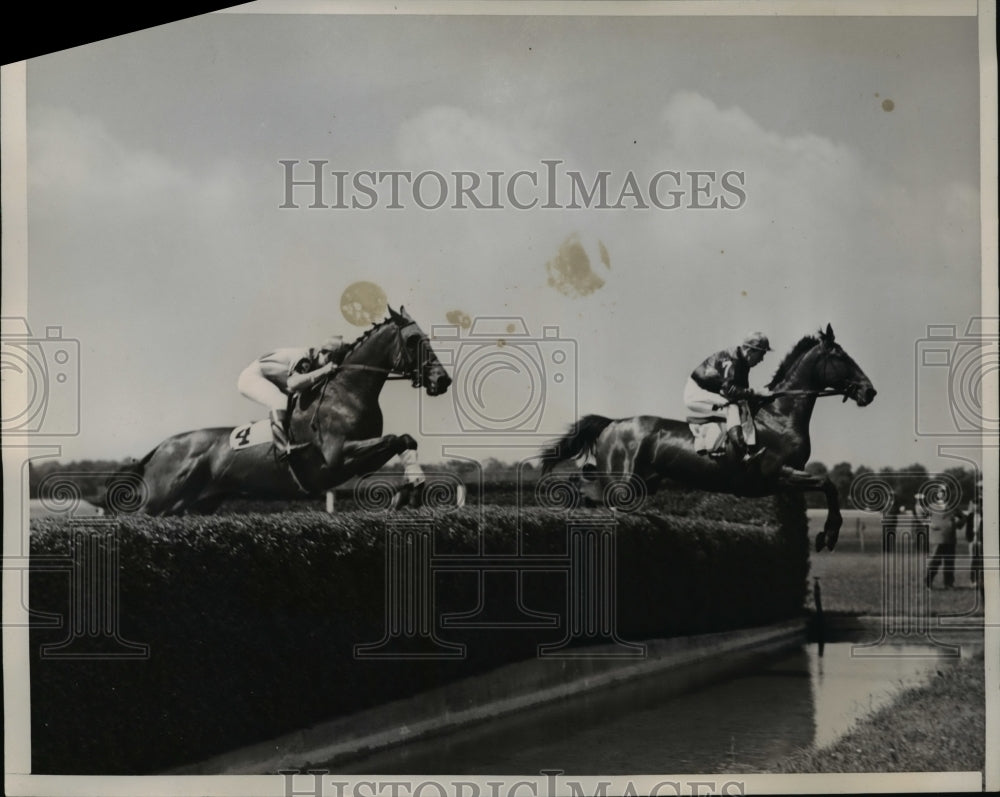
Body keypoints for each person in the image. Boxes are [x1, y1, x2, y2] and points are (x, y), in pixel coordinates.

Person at [237, 334, 349, 451]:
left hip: (270, 377)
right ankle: (283, 446)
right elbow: (293, 383)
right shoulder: (305, 358)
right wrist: (323, 371)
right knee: (279, 400)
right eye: (335, 359)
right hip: (251, 377)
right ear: (328, 355)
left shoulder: (312, 359)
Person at [684, 332, 772, 462]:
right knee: (732, 409)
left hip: (711, 392)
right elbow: (730, 391)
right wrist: (756, 392)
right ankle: (743, 454)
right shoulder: (733, 361)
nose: (762, 359)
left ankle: (750, 447)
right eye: (762, 354)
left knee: (743, 406)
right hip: (697, 393)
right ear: (750, 351)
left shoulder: (742, 361)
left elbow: (741, 392)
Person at [925, 497, 959, 589]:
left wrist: (957, 523)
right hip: (937, 538)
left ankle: (949, 584)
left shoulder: (953, 506)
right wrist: (930, 524)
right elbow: (923, 518)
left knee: (949, 562)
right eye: (941, 492)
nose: (943, 494)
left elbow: (963, 517)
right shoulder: (931, 506)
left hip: (950, 538)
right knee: (935, 561)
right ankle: (928, 582)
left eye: (945, 492)